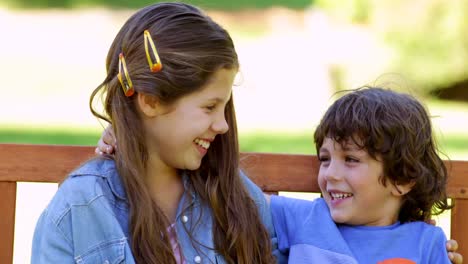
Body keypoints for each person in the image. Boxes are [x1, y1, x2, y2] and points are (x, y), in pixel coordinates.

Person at [31, 2, 279, 263]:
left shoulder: (233, 194)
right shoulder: (81, 207)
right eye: (209, 107)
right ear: (150, 100)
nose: (223, 125)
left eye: (224, 107)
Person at [270, 87, 456, 263]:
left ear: (402, 179)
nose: (330, 174)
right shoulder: (304, 218)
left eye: (350, 159)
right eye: (325, 159)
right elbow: (242, 194)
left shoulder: (427, 242)